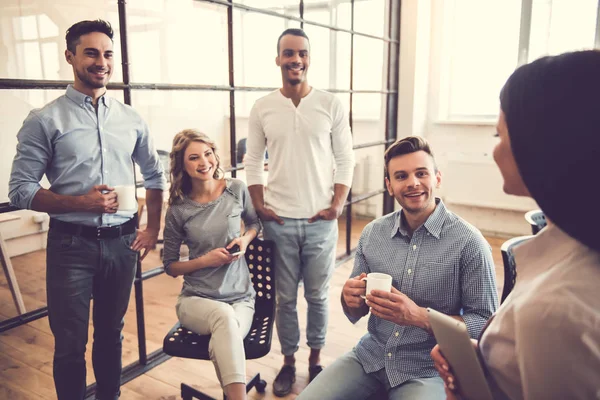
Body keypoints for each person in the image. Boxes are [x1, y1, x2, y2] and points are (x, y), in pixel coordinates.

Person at [7, 20, 166, 400]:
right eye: (91, 52)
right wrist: (81, 203)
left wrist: (152, 228)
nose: (101, 61)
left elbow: (156, 174)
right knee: (69, 346)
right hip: (70, 248)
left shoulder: (130, 119)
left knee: (111, 336)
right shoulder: (45, 120)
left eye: (108, 54)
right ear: (70, 57)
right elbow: (20, 190)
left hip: (122, 244)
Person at [431, 50, 600, 400]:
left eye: (499, 136)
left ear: (539, 146)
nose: (494, 151)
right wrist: (492, 362)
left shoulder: (555, 311)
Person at [299, 136, 498, 400]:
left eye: (421, 173)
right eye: (401, 176)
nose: (413, 183)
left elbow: (485, 326)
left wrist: (418, 316)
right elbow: (355, 309)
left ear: (437, 178)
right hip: (370, 357)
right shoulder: (373, 234)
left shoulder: (470, 243)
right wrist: (349, 298)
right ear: (389, 186)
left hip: (428, 369)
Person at [244, 28, 355, 397]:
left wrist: (337, 205)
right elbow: (253, 161)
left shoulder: (330, 104)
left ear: (309, 58)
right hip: (279, 222)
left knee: (319, 297)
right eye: (289, 53)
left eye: (302, 53)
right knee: (285, 300)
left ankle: (315, 361)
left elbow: (345, 158)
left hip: (320, 223)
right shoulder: (263, 107)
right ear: (278, 59)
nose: (296, 60)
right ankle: (289, 362)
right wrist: (259, 205)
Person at [162, 129, 260, 400]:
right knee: (223, 320)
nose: (204, 162)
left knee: (226, 330)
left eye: (207, 154)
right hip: (196, 300)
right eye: (194, 157)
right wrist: (205, 261)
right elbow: (169, 266)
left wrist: (244, 240)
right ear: (182, 164)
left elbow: (254, 223)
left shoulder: (235, 189)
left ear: (215, 156)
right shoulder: (178, 209)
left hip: (241, 299)